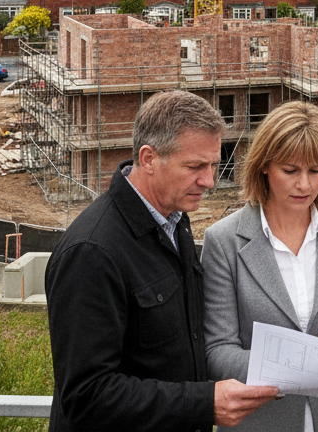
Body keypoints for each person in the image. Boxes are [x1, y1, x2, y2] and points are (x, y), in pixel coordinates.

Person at [45, 90, 279, 431]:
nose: (209, 181)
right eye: (195, 166)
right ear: (149, 158)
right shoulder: (91, 252)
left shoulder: (173, 219)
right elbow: (85, 396)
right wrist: (202, 403)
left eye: (213, 164)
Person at [202, 101, 318, 432]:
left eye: (315, 170)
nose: (305, 185)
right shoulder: (223, 240)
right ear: (264, 166)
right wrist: (298, 366)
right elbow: (218, 352)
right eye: (290, 170)